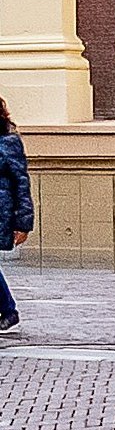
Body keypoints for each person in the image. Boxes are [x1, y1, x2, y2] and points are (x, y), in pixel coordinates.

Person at [0, 98, 32, 334]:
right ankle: (8, 310)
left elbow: (22, 184)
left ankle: (9, 310)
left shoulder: (9, 143)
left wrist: (23, 223)